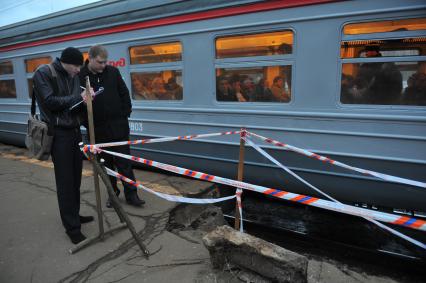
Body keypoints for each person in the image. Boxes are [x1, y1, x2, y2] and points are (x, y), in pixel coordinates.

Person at [32, 47, 95, 244]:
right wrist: (79, 98)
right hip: (58, 134)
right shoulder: (43, 73)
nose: (78, 71)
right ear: (66, 63)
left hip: (74, 131)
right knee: (65, 181)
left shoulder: (72, 75)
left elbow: (72, 102)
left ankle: (74, 216)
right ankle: (72, 227)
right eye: (76, 67)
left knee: (75, 177)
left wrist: (85, 102)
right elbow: (50, 102)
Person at [79, 45, 144, 207]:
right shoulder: (81, 76)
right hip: (98, 131)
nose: (103, 65)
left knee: (125, 164)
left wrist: (124, 114)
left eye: (105, 62)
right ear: (90, 58)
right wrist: (87, 123)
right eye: (100, 62)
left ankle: (131, 194)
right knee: (106, 166)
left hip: (118, 128)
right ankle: (113, 194)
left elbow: (124, 93)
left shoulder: (113, 72)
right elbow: (79, 104)